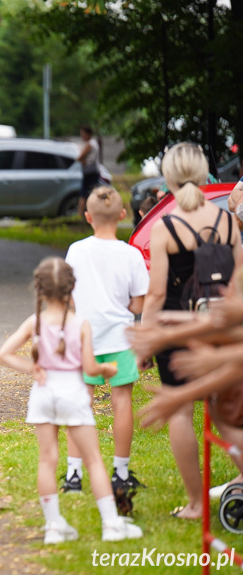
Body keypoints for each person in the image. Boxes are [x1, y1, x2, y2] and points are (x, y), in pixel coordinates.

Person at [0, 257, 143, 544]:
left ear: (39, 289)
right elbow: (89, 369)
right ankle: (112, 524)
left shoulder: (34, 322)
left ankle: (53, 526)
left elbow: (3, 354)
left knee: (47, 460)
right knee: (93, 460)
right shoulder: (81, 325)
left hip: (42, 395)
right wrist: (106, 369)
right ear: (71, 288)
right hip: (73, 395)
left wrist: (33, 368)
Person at [138, 142, 243, 519]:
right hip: (221, 327)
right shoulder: (228, 222)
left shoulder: (165, 227)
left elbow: (157, 293)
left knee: (180, 412)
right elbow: (238, 285)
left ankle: (197, 504)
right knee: (226, 412)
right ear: (203, 174)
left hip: (177, 329)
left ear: (168, 177)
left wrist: (147, 340)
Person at [61, 187, 149, 496]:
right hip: (120, 338)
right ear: (123, 216)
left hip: (84, 337)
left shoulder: (76, 251)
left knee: (81, 402)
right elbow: (139, 303)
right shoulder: (131, 254)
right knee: (121, 402)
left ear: (88, 217)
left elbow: (69, 295)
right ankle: (120, 473)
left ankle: (73, 474)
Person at [76, 125, 100, 218]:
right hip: (93, 172)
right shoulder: (94, 143)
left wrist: (80, 159)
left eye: (83, 134)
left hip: (89, 173)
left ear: (88, 134)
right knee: (92, 194)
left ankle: (80, 215)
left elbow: (80, 157)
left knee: (84, 195)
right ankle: (92, 214)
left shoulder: (90, 144)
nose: (82, 136)